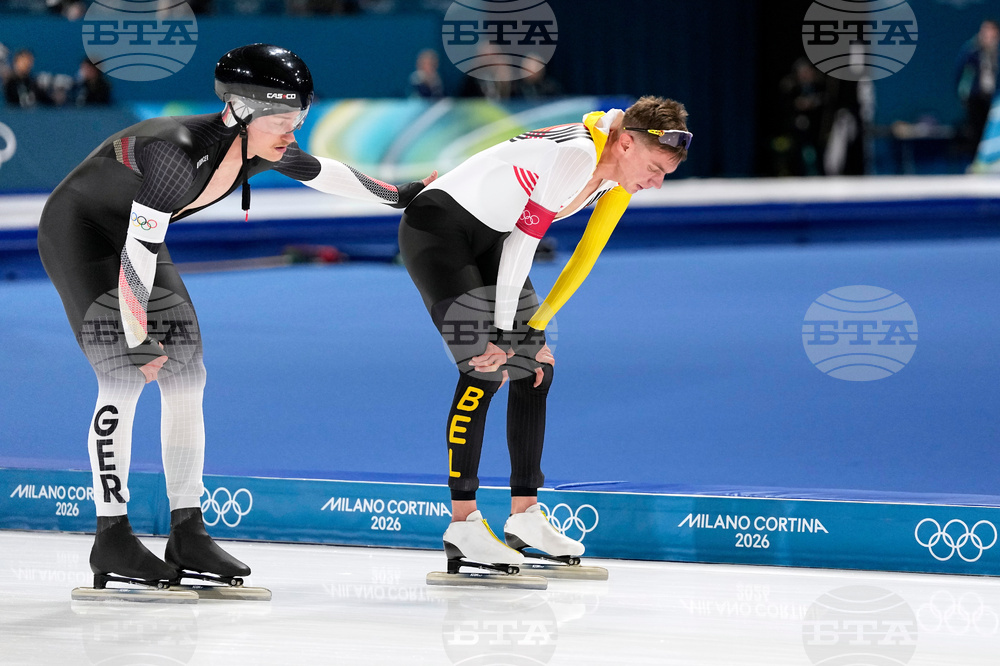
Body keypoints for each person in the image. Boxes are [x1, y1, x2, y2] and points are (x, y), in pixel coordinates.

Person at [38, 43, 435, 593]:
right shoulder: (178, 153)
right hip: (83, 235)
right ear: (242, 109)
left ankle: (187, 530)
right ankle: (112, 536)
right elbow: (135, 252)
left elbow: (327, 173)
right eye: (284, 116)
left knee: (188, 374)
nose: (294, 129)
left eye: (300, 115)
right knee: (124, 373)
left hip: (138, 243)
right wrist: (136, 336)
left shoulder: (259, 144)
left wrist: (408, 196)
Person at [398, 96, 690, 577]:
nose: (657, 182)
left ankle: (524, 515)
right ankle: (463, 524)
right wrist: (508, 333)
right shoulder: (577, 153)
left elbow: (582, 261)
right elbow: (526, 243)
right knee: (486, 366)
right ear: (626, 141)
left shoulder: (615, 177)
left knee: (536, 369)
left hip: (494, 240)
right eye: (656, 168)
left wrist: (531, 330)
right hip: (439, 231)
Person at [957, 19, 1000, 153]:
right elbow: (963, 73)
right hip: (976, 97)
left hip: (995, 98)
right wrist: (964, 96)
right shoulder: (972, 50)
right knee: (976, 130)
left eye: (989, 30)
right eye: (984, 30)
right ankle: (977, 163)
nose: (986, 33)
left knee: (993, 130)